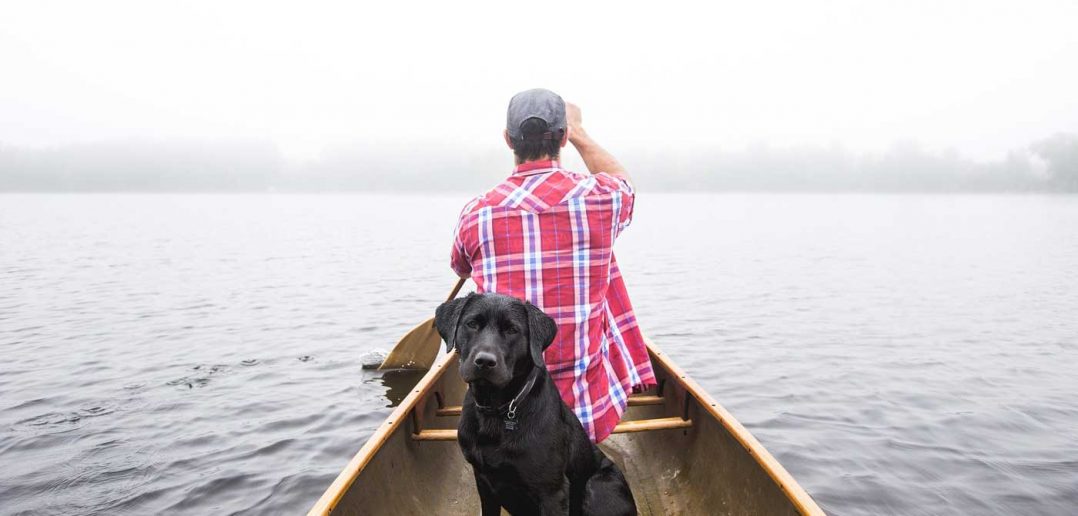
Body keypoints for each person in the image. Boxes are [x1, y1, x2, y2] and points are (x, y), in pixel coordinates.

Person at [449, 88, 655, 442]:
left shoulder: (476, 214)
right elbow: (626, 183)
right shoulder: (603, 199)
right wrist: (580, 131)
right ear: (563, 137)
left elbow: (461, 267)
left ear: (508, 140)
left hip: (503, 418)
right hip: (585, 417)